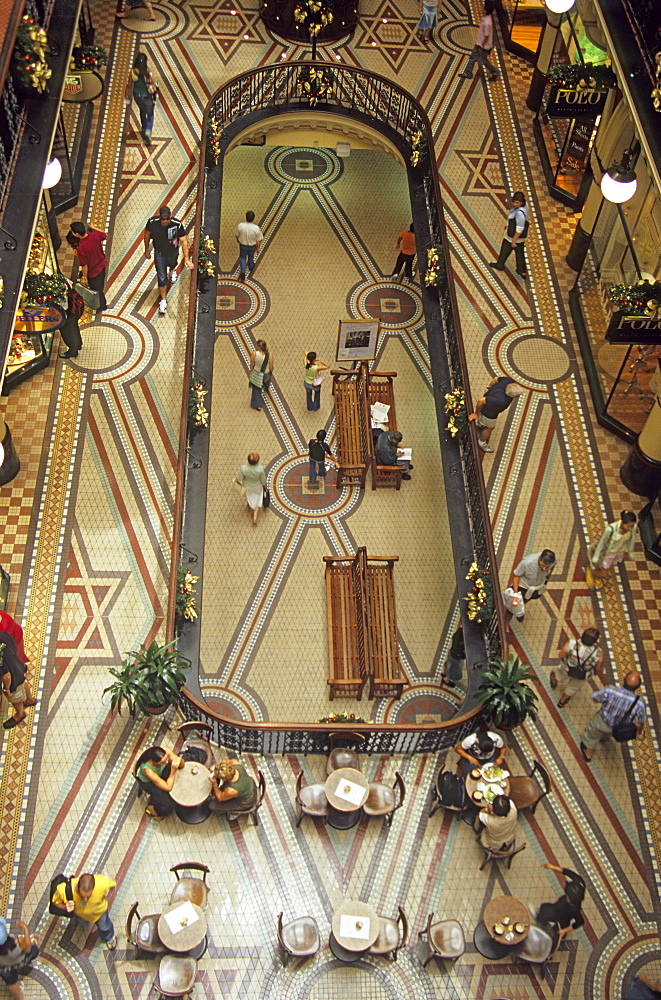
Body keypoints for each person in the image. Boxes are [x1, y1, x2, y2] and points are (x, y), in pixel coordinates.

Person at [579, 671, 646, 763]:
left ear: (623, 678)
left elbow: (595, 697)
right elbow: (639, 723)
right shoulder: (640, 703)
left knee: (592, 735)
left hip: (601, 721)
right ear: (637, 687)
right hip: (618, 727)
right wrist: (638, 733)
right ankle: (605, 737)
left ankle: (588, 752)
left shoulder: (611, 690)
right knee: (607, 732)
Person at [144, 205, 193, 315]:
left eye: (167, 219)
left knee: (172, 264)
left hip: (172, 252)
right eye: (163, 219)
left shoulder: (177, 225)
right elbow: (147, 235)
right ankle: (164, 300)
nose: (165, 221)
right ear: (160, 217)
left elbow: (184, 241)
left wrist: (186, 258)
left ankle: (172, 270)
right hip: (159, 254)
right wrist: (147, 249)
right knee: (161, 277)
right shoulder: (152, 222)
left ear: (170, 216)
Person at [51, 873, 117, 949]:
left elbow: (112, 884)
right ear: (77, 886)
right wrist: (65, 907)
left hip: (100, 913)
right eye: (82, 896)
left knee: (104, 927)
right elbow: (55, 902)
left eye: (88, 896)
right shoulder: (63, 890)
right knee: (83, 923)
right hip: (80, 915)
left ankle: (108, 937)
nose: (85, 900)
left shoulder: (101, 883)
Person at [469, 375, 525, 453]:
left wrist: (488, 387)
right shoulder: (500, 400)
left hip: (488, 403)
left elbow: (495, 379)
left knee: (484, 421)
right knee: (490, 427)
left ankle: (479, 423)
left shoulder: (508, 381)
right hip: (489, 413)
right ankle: (482, 442)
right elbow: (481, 401)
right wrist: (476, 414)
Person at [552, 627, 605, 708]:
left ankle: (554, 681)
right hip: (582, 675)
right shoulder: (598, 653)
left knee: (559, 674)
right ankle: (562, 701)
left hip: (567, 668)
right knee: (573, 687)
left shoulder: (572, 643)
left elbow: (561, 655)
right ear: (595, 641)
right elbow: (598, 668)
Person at [586, 510, 637, 589]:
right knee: (604, 569)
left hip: (618, 552)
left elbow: (631, 539)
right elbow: (602, 542)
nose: (630, 528)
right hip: (608, 553)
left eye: (632, 526)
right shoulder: (611, 529)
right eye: (628, 526)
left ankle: (598, 576)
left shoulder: (632, 528)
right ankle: (593, 573)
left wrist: (630, 551)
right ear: (623, 522)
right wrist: (596, 555)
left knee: (607, 567)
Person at [135, 745, 184, 819]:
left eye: (167, 759)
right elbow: (168, 787)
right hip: (149, 783)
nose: (167, 761)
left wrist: (179, 760)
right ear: (155, 762)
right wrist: (172, 772)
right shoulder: (148, 771)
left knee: (178, 776)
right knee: (170, 804)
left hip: (160, 773)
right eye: (163, 762)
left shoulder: (164, 750)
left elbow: (181, 764)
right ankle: (154, 809)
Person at [1, 631, 36, 730]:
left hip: (13, 679)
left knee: (15, 697)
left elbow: (6, 677)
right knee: (23, 684)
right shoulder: (3, 634)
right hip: (18, 666)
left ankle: (20, 714)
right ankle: (30, 700)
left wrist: (7, 690)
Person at [535, 863, 585, 932]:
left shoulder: (574, 909)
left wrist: (564, 931)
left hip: (562, 916)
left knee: (545, 911)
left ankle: (545, 924)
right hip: (559, 906)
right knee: (544, 907)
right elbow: (568, 872)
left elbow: (580, 922)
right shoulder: (580, 883)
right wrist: (552, 867)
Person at [490, 192, 530, 278]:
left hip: (512, 238)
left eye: (517, 202)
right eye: (514, 202)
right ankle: (522, 271)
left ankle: (500, 265)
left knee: (505, 250)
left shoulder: (520, 214)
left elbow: (519, 229)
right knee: (520, 254)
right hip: (521, 239)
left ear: (521, 202)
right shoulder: (525, 206)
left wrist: (513, 241)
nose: (515, 204)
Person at [509, 549, 556, 622]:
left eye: (547, 567)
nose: (544, 569)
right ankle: (507, 622)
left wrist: (547, 577)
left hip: (536, 588)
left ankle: (520, 610)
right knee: (513, 605)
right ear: (539, 557)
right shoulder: (527, 563)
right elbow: (516, 576)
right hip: (523, 586)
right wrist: (515, 594)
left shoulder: (553, 562)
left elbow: (553, 566)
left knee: (526, 600)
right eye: (543, 565)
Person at [69, 222, 108, 311]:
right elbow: (104, 235)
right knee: (99, 287)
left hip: (93, 272)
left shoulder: (81, 248)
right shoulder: (95, 235)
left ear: (76, 234)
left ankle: (102, 306)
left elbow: (84, 265)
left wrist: (84, 277)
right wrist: (94, 227)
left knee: (97, 291)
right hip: (102, 265)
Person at [0, 916, 39, 999]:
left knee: (11, 984)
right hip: (19, 961)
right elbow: (28, 948)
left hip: (4, 969)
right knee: (34, 949)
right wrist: (25, 928)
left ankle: (19, 997)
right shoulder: (17, 943)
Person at [460, 0, 500, 81]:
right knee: (473, 58)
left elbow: (486, 34)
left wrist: (482, 45)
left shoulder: (487, 22)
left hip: (482, 46)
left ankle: (495, 72)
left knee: (484, 60)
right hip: (480, 44)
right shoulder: (487, 18)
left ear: (485, 9)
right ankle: (468, 73)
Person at [125, 52, 158, 145]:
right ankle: (148, 131)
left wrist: (125, 96)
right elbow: (154, 84)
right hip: (147, 97)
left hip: (137, 97)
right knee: (150, 114)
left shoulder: (132, 72)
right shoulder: (148, 72)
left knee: (142, 111)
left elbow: (128, 85)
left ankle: (143, 129)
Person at [236, 453, 267, 524]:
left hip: (247, 485)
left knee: (249, 495)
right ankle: (255, 516)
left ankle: (249, 504)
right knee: (258, 498)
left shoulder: (243, 468)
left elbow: (240, 477)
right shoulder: (260, 469)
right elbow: (263, 479)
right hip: (257, 486)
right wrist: (265, 485)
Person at [59, 281, 84, 360]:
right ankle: (78, 344)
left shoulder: (59, 294)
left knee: (67, 331)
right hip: (74, 310)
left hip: (67, 312)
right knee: (74, 327)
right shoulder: (64, 281)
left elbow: (63, 306)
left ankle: (73, 350)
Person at [235, 211, 263, 282]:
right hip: (252, 246)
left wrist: (238, 240)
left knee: (242, 257)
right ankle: (250, 266)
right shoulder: (256, 228)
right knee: (251, 256)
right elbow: (259, 239)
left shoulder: (240, 226)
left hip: (243, 245)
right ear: (253, 218)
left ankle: (243, 272)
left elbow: (237, 234)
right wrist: (258, 247)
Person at [248, 339, 273, 411]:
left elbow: (252, 363)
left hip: (257, 372)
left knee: (256, 389)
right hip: (266, 373)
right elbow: (271, 366)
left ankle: (258, 405)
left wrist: (251, 368)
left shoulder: (254, 354)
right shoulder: (270, 355)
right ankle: (266, 387)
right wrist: (270, 371)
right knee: (266, 381)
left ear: (258, 347)